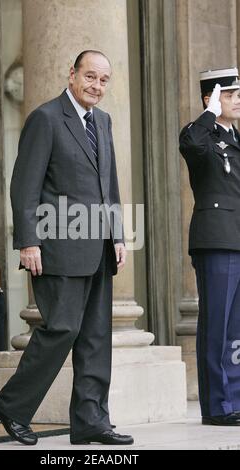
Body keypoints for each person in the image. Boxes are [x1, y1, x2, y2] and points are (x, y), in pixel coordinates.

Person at [0, 50, 134, 446]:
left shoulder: (102, 122)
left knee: (95, 336)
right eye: (90, 77)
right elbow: (24, 185)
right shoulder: (46, 118)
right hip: (58, 246)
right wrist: (27, 241)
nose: (97, 86)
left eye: (104, 80)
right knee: (61, 329)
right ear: (72, 75)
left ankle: (91, 420)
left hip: (99, 247)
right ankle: (13, 406)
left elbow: (111, 184)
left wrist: (118, 234)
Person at [180, 67, 240, 425]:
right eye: (231, 94)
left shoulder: (237, 139)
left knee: (236, 330)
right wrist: (209, 113)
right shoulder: (198, 133)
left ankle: (233, 400)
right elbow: (190, 146)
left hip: (237, 239)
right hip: (216, 240)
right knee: (216, 326)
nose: (238, 100)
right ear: (212, 97)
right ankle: (217, 406)